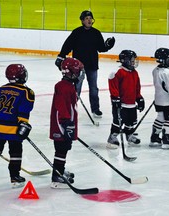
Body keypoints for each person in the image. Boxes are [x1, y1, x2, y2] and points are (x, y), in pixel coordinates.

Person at [0, 64, 34, 189]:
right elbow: (23, 111)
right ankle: (15, 177)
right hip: (13, 128)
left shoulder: (1, 89)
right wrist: (24, 124)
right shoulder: (27, 92)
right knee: (15, 152)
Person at [55, 10, 115, 118]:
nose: (89, 20)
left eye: (90, 18)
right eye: (86, 18)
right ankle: (72, 107)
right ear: (82, 21)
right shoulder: (76, 32)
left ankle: (95, 109)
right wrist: (61, 56)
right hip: (77, 67)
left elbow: (101, 48)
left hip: (92, 65)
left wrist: (107, 46)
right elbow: (67, 45)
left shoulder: (96, 33)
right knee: (76, 88)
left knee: (93, 88)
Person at [50, 58, 84, 188]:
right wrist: (65, 123)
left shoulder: (69, 85)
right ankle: (57, 175)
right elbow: (61, 106)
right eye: (78, 71)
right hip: (61, 125)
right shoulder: (62, 86)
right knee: (61, 149)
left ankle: (60, 170)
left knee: (64, 148)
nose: (79, 73)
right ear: (71, 72)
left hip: (66, 123)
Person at [107, 50, 145, 149]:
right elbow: (113, 87)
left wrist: (139, 98)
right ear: (124, 60)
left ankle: (129, 135)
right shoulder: (117, 72)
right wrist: (115, 98)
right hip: (121, 104)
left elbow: (137, 87)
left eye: (134, 60)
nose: (133, 62)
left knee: (131, 121)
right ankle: (112, 137)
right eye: (131, 60)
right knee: (118, 122)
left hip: (132, 103)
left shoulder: (135, 73)